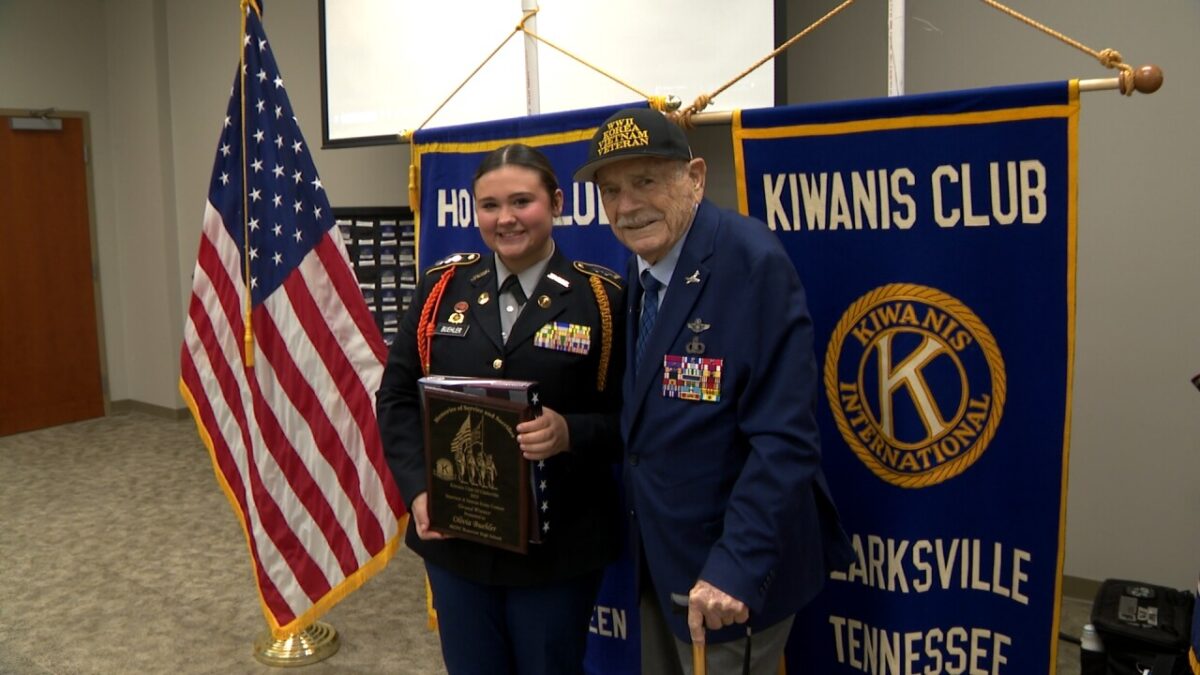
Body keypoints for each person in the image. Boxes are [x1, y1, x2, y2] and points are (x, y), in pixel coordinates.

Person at [574, 108, 853, 675]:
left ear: (695, 178)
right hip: (661, 560)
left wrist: (736, 565)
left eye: (646, 181)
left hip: (727, 574)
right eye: (612, 190)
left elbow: (785, 438)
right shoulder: (641, 267)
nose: (627, 206)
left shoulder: (751, 264)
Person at [377, 143, 625, 675]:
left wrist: (570, 432)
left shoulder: (602, 298)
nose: (505, 218)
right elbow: (397, 396)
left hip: (557, 550)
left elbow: (637, 421)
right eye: (489, 206)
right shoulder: (441, 289)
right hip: (457, 541)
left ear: (556, 201)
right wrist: (419, 490)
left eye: (521, 201)